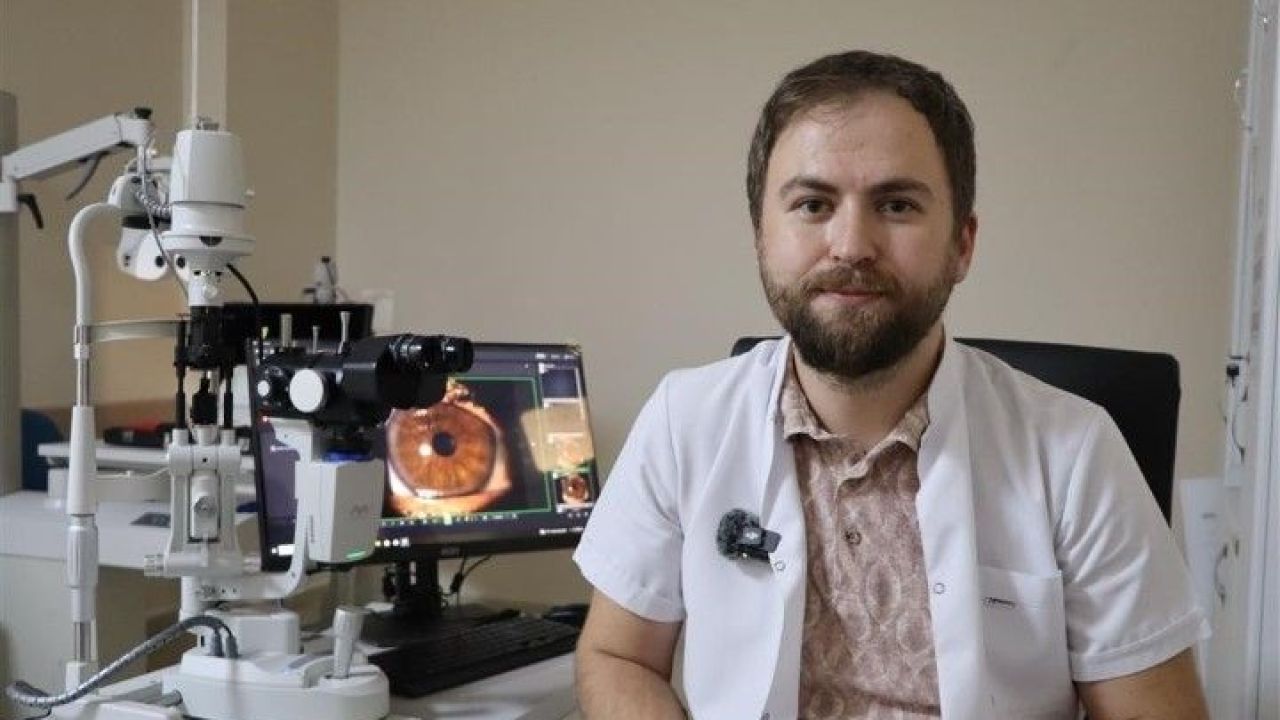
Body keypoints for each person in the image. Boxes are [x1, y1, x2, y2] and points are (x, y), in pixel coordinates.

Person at [572, 50, 1210, 719]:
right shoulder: (685, 419)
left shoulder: (1074, 453)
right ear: (761, 234)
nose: (851, 245)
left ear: (963, 244)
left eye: (897, 205)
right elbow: (616, 655)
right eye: (813, 204)